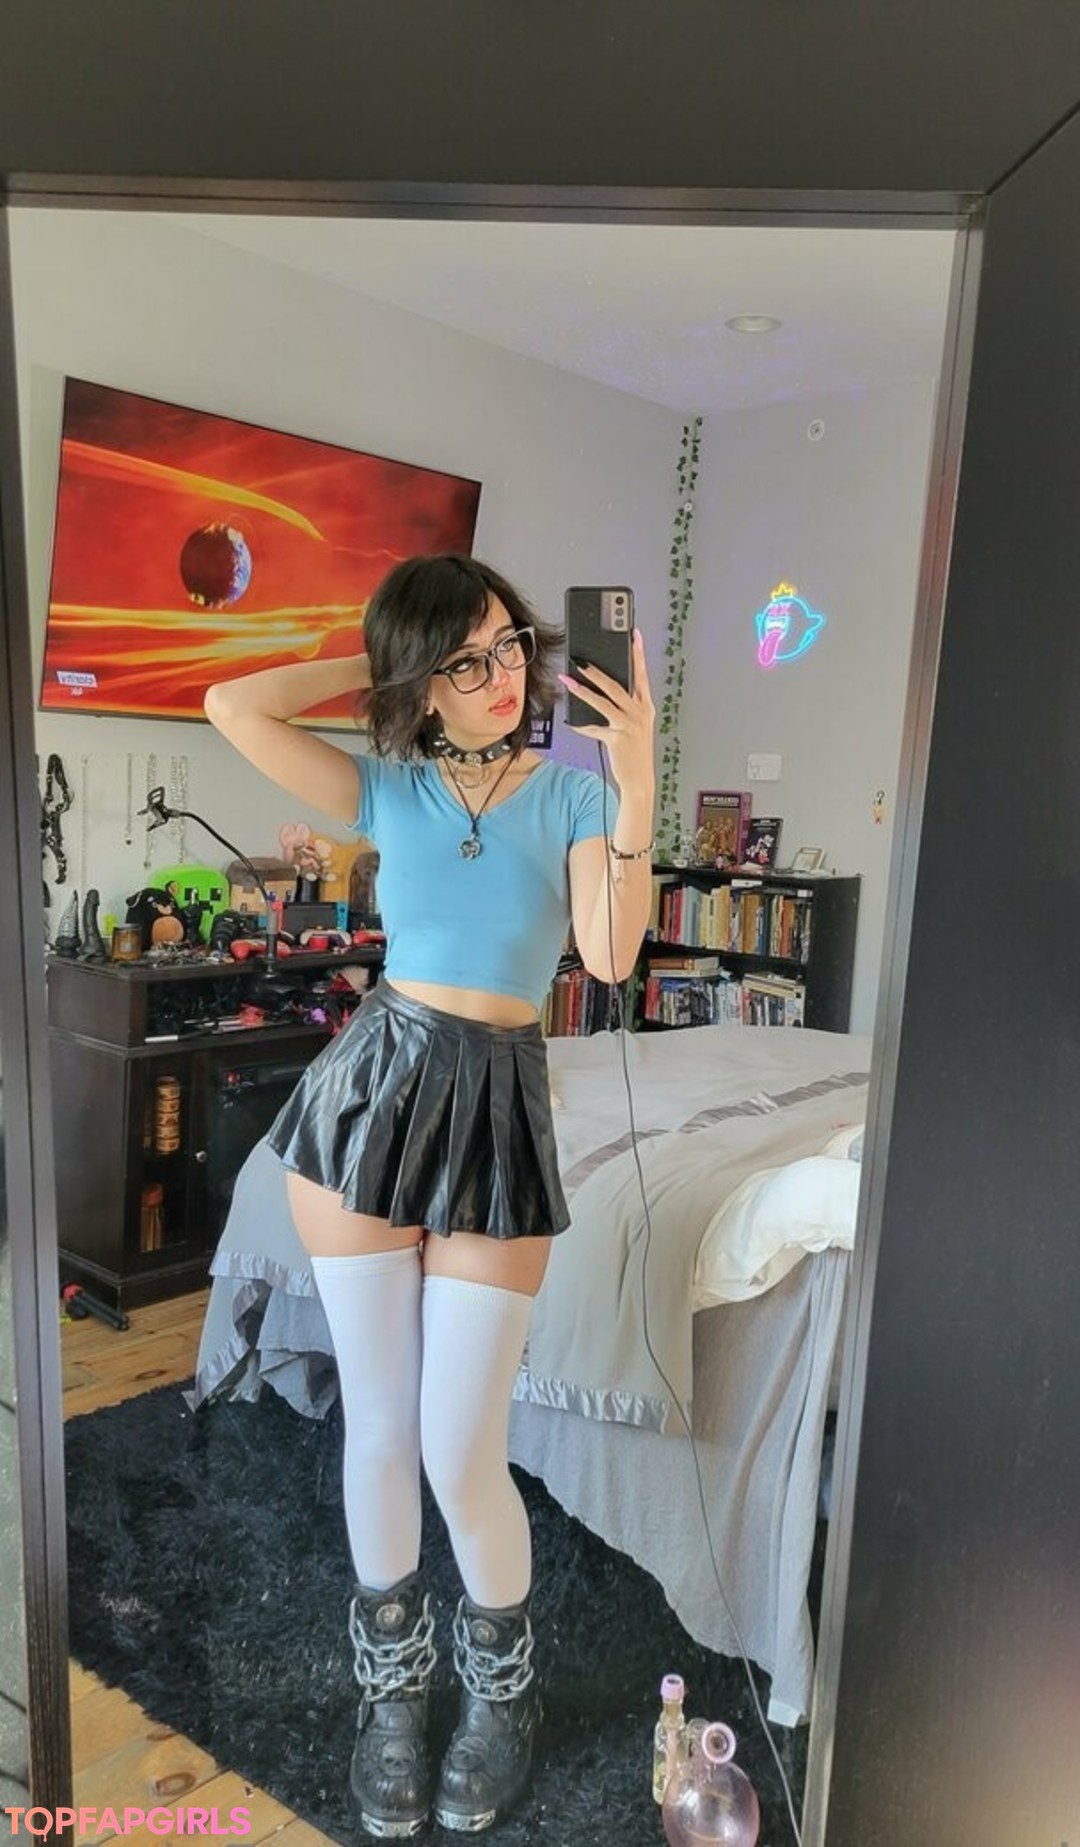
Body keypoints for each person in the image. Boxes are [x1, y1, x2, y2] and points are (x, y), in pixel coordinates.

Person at [204, 553, 655, 1838]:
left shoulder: (572, 791)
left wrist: (636, 783)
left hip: (498, 1106)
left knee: (462, 1443)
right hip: (371, 1094)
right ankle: (393, 1694)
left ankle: (501, 1693)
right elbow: (233, 705)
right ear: (421, 678)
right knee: (383, 1425)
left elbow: (612, 951)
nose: (504, 674)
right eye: (467, 659)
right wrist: (384, 663)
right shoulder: (385, 784)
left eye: (511, 645)